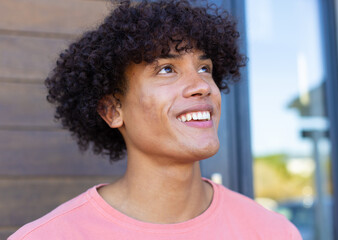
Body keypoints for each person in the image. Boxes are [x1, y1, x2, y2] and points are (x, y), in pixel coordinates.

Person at [9, 0, 302, 239]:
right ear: (112, 110)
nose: (202, 85)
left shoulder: (273, 232)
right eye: (166, 69)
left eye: (204, 67)